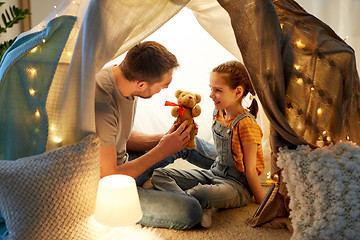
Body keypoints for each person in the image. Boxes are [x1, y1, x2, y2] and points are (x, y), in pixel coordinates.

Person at [95, 41, 215, 229]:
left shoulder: (125, 79)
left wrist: (164, 140)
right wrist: (161, 151)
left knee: (185, 139)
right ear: (141, 84)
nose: (165, 89)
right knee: (190, 211)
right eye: (163, 85)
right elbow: (110, 175)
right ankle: (152, 185)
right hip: (107, 188)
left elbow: (119, 137)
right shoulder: (102, 102)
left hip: (125, 163)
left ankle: (237, 170)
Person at [150, 60, 266, 228]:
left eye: (218, 90)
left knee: (200, 192)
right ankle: (194, 204)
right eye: (211, 88)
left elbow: (250, 170)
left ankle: (192, 202)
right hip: (214, 172)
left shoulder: (247, 125)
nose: (211, 95)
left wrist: (261, 201)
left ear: (238, 92)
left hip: (236, 186)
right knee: (159, 174)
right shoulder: (218, 112)